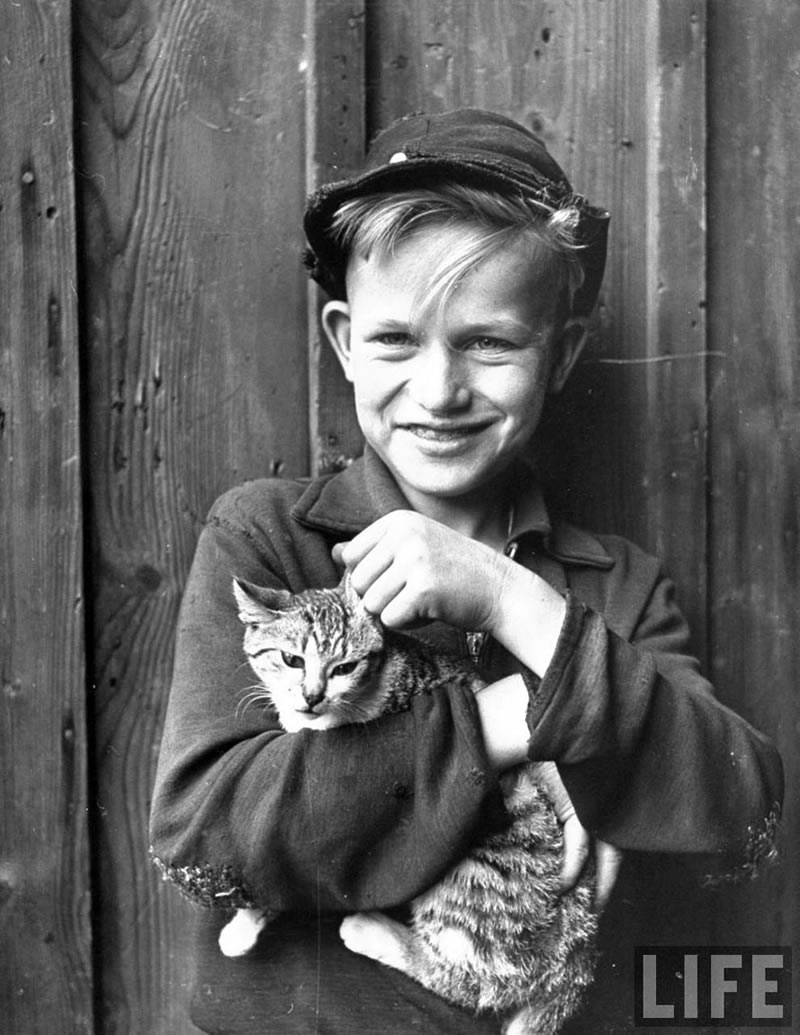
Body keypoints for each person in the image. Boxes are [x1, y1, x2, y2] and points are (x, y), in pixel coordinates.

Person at [149, 109, 783, 1034]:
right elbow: (207, 842)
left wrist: (513, 601)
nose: (440, 389)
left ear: (559, 353)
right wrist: (509, 723)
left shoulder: (619, 584)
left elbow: (741, 814)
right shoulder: (267, 540)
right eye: (396, 340)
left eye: (488, 342)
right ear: (342, 340)